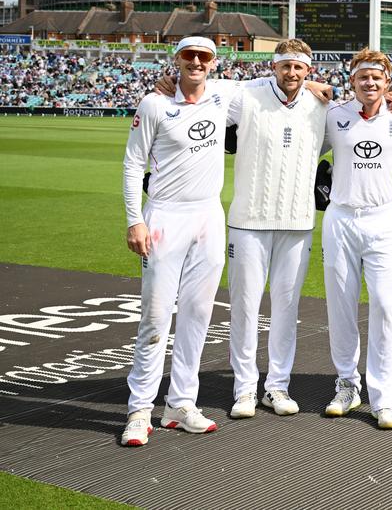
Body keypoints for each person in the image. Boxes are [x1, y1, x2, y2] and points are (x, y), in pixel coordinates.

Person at [120, 36, 238, 446]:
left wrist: (313, 85)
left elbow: (277, 85)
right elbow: (134, 163)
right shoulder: (155, 104)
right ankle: (139, 409)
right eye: (188, 56)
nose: (195, 62)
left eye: (203, 57)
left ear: (213, 63)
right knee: (155, 317)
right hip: (165, 215)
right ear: (177, 61)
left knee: (198, 313)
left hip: (208, 214)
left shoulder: (224, 96)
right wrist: (135, 219)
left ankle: (180, 403)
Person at [225, 39, 327, 420]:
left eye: (299, 67)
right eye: (286, 66)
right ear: (274, 66)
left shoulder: (321, 106)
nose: (292, 73)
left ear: (309, 70)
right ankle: (245, 389)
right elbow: (200, 104)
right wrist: (170, 83)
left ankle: (277, 387)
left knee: (286, 307)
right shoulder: (245, 95)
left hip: (298, 223)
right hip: (248, 221)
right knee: (246, 307)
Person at [321, 49, 392, 429]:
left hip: (382, 220)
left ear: (386, 82)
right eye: (363, 77)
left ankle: (383, 396)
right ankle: (347, 385)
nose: (370, 83)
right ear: (352, 80)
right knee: (341, 305)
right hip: (341, 218)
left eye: (377, 77)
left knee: (384, 307)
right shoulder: (333, 117)